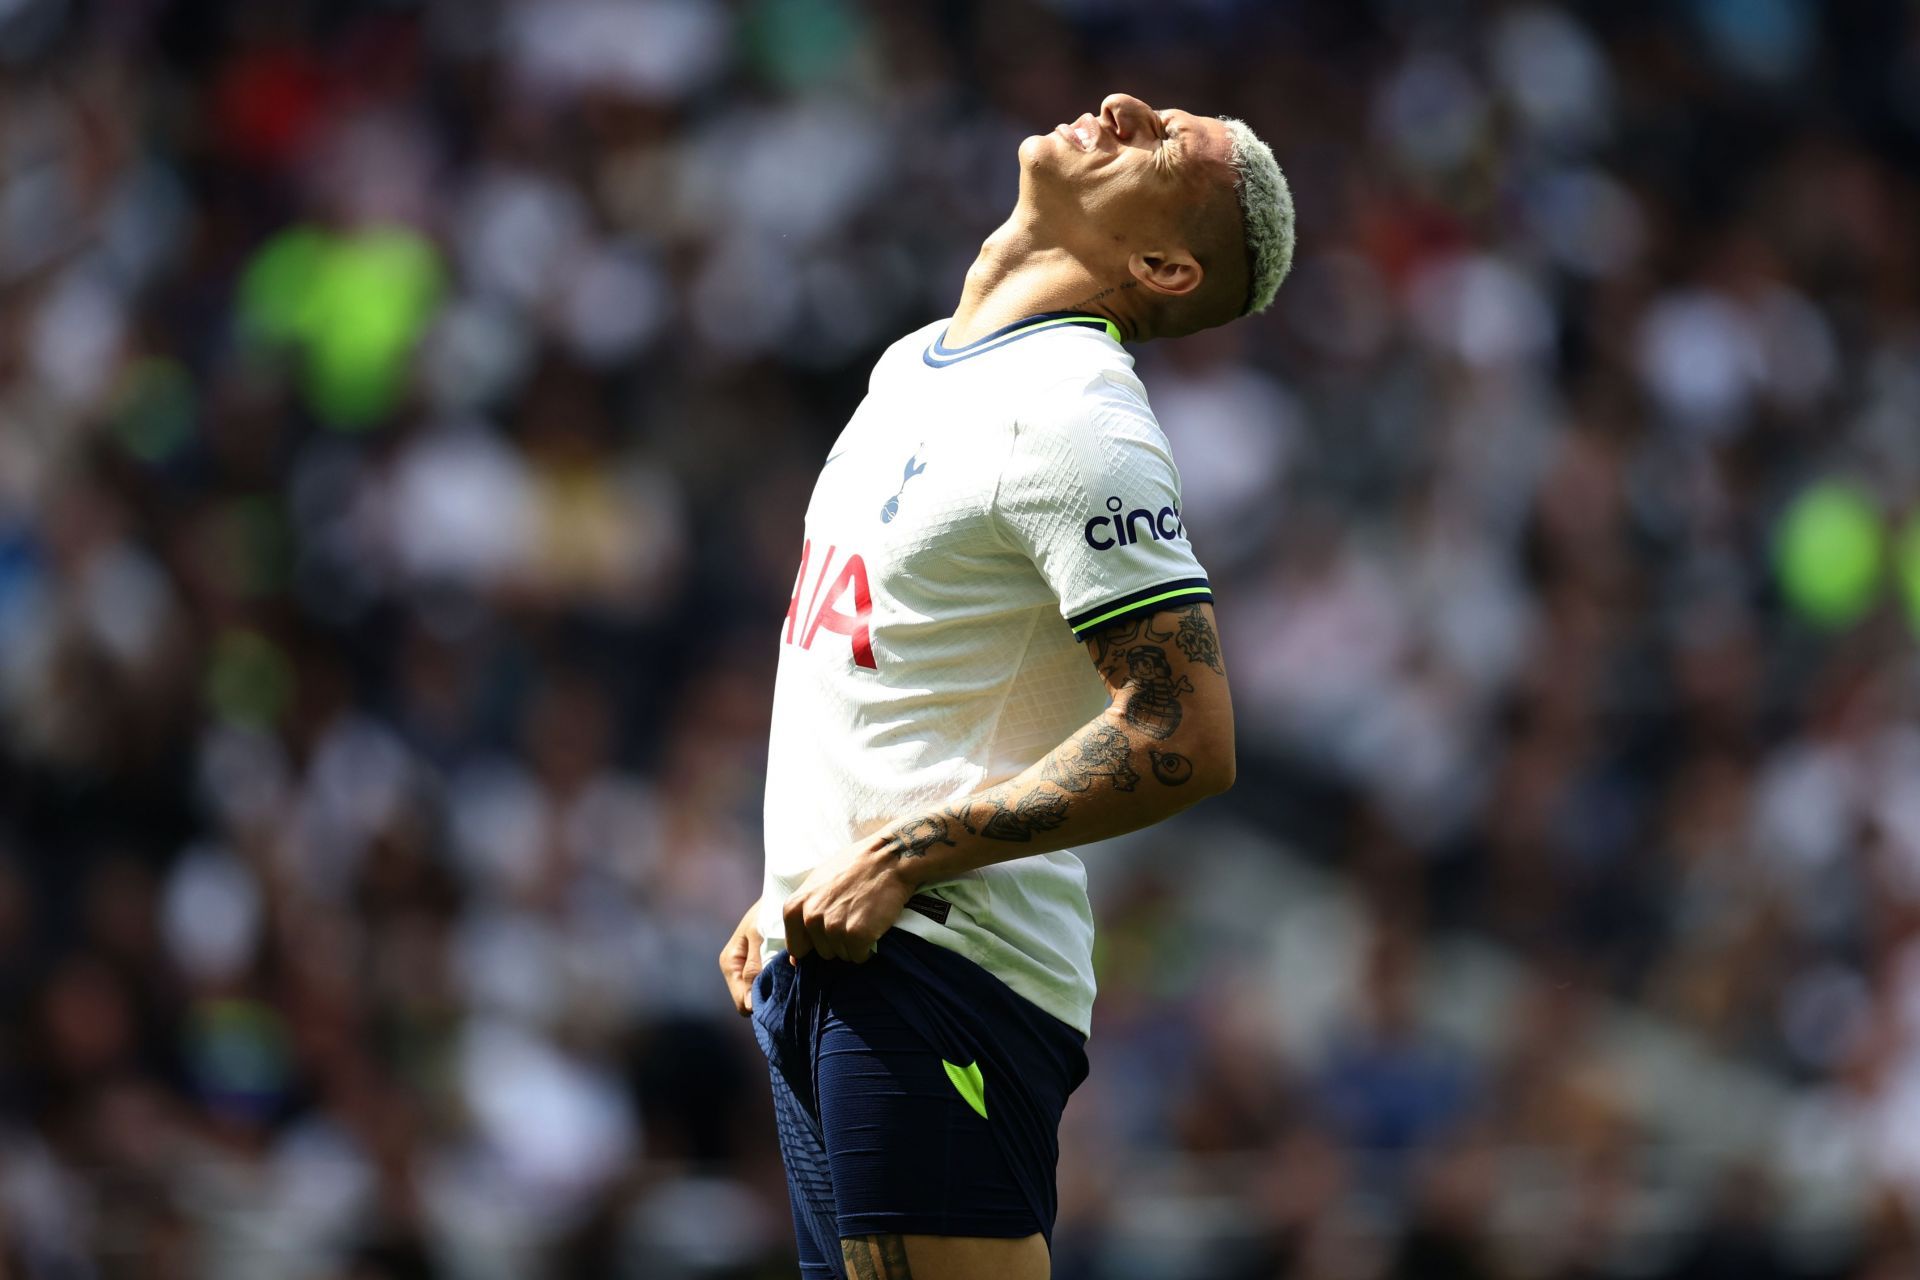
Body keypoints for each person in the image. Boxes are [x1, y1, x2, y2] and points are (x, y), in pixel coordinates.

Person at [718, 92, 1294, 1280]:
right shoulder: (916, 364)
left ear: (1162, 265)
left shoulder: (1080, 418)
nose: (1126, 104)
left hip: (943, 961)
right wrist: (794, 874)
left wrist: (902, 850)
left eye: (1166, 143)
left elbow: (1185, 729)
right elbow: (887, 649)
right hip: (840, 946)